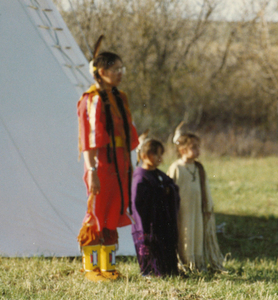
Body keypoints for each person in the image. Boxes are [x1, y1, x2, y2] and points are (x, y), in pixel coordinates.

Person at [77, 51, 139, 281]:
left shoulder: (120, 97)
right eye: (116, 69)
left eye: (122, 68)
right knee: (97, 211)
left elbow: (128, 130)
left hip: (120, 163)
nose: (120, 73)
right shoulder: (91, 99)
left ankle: (108, 268)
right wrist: (91, 171)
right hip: (101, 163)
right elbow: (88, 140)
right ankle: (91, 269)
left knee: (114, 210)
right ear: (102, 72)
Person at [167, 133, 224, 271]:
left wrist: (208, 207)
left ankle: (197, 264)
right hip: (182, 211)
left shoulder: (199, 168)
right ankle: (184, 264)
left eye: (198, 147)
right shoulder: (176, 167)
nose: (198, 150)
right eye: (193, 147)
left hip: (197, 209)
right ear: (182, 150)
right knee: (184, 235)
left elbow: (206, 189)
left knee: (197, 235)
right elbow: (168, 191)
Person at [131, 139, 180, 276]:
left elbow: (172, 187)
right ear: (145, 156)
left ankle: (168, 271)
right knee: (150, 249)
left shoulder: (159, 174)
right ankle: (150, 272)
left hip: (162, 222)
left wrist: (170, 190)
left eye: (161, 154)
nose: (160, 158)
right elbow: (137, 203)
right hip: (148, 224)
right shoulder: (140, 177)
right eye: (156, 154)